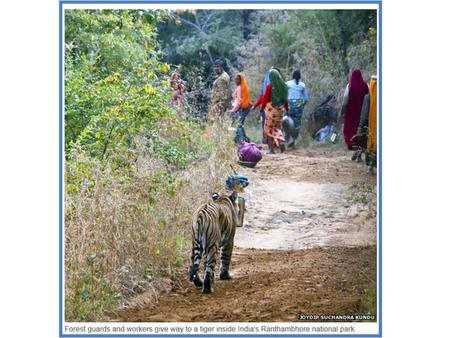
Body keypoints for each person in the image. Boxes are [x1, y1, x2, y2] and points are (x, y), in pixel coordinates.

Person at [340, 69, 369, 159]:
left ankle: (354, 148)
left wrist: (342, 112)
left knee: (350, 130)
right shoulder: (365, 86)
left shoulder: (349, 86)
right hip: (362, 114)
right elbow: (368, 98)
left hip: (351, 114)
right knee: (361, 130)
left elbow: (345, 100)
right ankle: (359, 150)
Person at [260, 68, 289, 154]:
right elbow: (286, 100)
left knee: (268, 130)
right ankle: (281, 143)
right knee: (277, 128)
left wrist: (261, 109)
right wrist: (287, 109)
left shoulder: (270, 86)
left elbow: (265, 99)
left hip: (271, 110)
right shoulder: (284, 86)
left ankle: (271, 150)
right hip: (280, 110)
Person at [285, 70, 309, 148]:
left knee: (286, 121)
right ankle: (293, 141)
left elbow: (284, 95)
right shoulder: (302, 85)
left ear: (293, 76)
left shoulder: (287, 84)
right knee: (297, 123)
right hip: (298, 105)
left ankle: (286, 138)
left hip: (289, 104)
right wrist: (301, 106)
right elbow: (306, 99)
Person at [207, 59, 232, 124]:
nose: (216, 68)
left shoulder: (221, 79)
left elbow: (222, 95)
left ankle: (210, 134)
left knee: (210, 121)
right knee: (221, 123)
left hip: (219, 104)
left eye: (218, 66)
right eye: (215, 67)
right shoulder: (224, 75)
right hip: (224, 104)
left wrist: (217, 107)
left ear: (222, 67)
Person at [229, 73, 251, 141]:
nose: (236, 80)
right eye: (235, 79)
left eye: (237, 79)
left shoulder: (239, 88)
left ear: (241, 80)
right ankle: (245, 139)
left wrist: (233, 110)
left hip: (242, 108)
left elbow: (239, 101)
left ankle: (241, 141)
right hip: (246, 107)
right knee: (240, 124)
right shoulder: (243, 87)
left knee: (238, 124)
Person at [252, 68, 272, 143]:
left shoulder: (273, 84)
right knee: (265, 122)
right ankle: (266, 139)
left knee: (268, 123)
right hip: (268, 107)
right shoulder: (266, 83)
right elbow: (262, 96)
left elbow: (262, 96)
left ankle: (269, 140)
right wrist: (255, 105)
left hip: (270, 107)